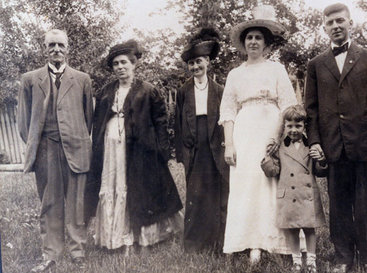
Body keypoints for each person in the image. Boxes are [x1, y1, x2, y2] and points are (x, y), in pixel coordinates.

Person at [304, 3, 367, 273]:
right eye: (330, 23)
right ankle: (342, 258)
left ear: (350, 23)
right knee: (338, 205)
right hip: (332, 146)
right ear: (324, 28)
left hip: (362, 143)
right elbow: (311, 108)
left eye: (340, 21)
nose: (336, 26)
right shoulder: (315, 64)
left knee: (362, 204)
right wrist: (315, 141)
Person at [85, 39, 183, 253]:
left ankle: (141, 239)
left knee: (138, 190)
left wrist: (162, 152)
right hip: (111, 149)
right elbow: (98, 121)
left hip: (140, 150)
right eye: (116, 64)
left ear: (133, 64)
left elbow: (160, 122)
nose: (120, 68)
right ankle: (116, 238)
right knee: (113, 185)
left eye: (124, 63)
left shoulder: (148, 91)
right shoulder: (105, 92)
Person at [219, 5, 298, 264]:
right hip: (244, 132)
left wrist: (278, 136)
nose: (253, 42)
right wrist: (229, 144)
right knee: (246, 185)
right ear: (244, 44)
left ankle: (274, 243)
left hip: (269, 131)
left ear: (266, 44)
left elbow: (288, 105)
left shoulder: (276, 69)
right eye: (249, 38)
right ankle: (249, 243)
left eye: (258, 38)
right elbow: (228, 111)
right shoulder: (235, 74)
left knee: (269, 184)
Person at [17, 29, 93, 272]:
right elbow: (23, 122)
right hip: (46, 150)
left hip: (76, 148)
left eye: (61, 45)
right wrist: (38, 146)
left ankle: (78, 251)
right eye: (52, 45)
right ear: (44, 49)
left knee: (76, 203)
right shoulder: (30, 79)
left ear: (68, 48)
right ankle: (51, 253)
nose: (56, 50)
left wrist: (75, 137)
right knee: (49, 203)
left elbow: (88, 118)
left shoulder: (82, 79)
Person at [175, 27, 229, 252]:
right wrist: (182, 154)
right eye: (191, 64)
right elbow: (177, 123)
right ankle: (194, 244)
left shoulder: (220, 90)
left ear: (207, 62)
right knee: (196, 194)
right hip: (194, 147)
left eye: (199, 62)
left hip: (215, 145)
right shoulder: (183, 91)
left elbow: (226, 120)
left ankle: (218, 243)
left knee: (218, 193)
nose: (195, 67)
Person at [262, 105, 327, 273]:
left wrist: (321, 159)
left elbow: (320, 172)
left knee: (309, 228)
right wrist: (267, 156)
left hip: (306, 194)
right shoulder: (280, 147)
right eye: (289, 126)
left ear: (304, 126)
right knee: (292, 229)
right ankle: (296, 260)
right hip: (288, 194)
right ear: (284, 126)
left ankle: (311, 260)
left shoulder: (310, 146)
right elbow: (273, 172)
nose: (293, 130)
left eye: (298, 126)